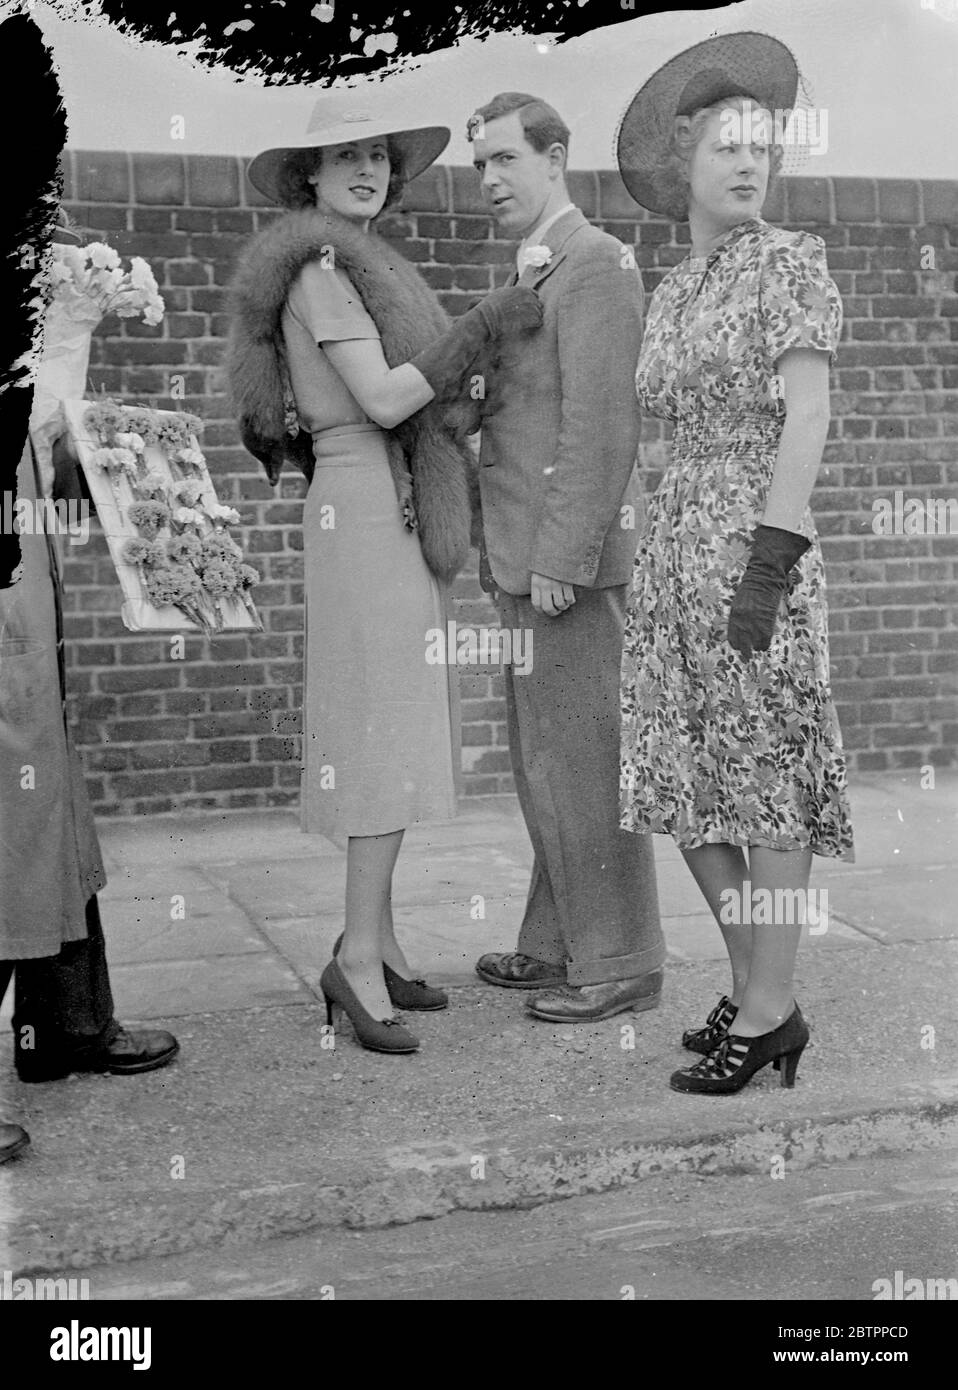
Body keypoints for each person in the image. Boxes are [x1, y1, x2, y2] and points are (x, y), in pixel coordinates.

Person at [228, 103, 541, 1055]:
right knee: (376, 729)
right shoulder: (322, 272)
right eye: (344, 156)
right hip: (362, 494)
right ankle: (355, 961)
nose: (365, 169)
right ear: (308, 178)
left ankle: (385, 941)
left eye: (376, 155)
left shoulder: (364, 264)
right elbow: (385, 396)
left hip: (390, 496)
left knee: (402, 718)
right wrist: (486, 322)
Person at [616, 33, 854, 1094]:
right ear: (686, 162)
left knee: (764, 782)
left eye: (761, 147)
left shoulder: (786, 266)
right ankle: (759, 985)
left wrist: (768, 559)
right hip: (675, 551)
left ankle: (767, 1008)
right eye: (726, 147)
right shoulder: (670, 291)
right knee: (681, 781)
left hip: (756, 545)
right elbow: (657, 431)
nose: (747, 164)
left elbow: (807, 413)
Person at [465, 92, 665, 1023]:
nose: (491, 180)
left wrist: (564, 557)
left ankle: (622, 959)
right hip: (522, 561)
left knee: (585, 764)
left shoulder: (595, 265)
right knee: (546, 762)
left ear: (555, 158)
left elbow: (601, 426)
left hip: (563, 570)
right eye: (480, 165)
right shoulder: (536, 271)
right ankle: (555, 944)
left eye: (507, 159)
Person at [1, 434, 180, 1142]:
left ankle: (62, 1025)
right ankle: (64, 1024)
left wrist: (86, 455)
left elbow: (56, 511)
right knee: (14, 835)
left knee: (53, 817)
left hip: (31, 613)